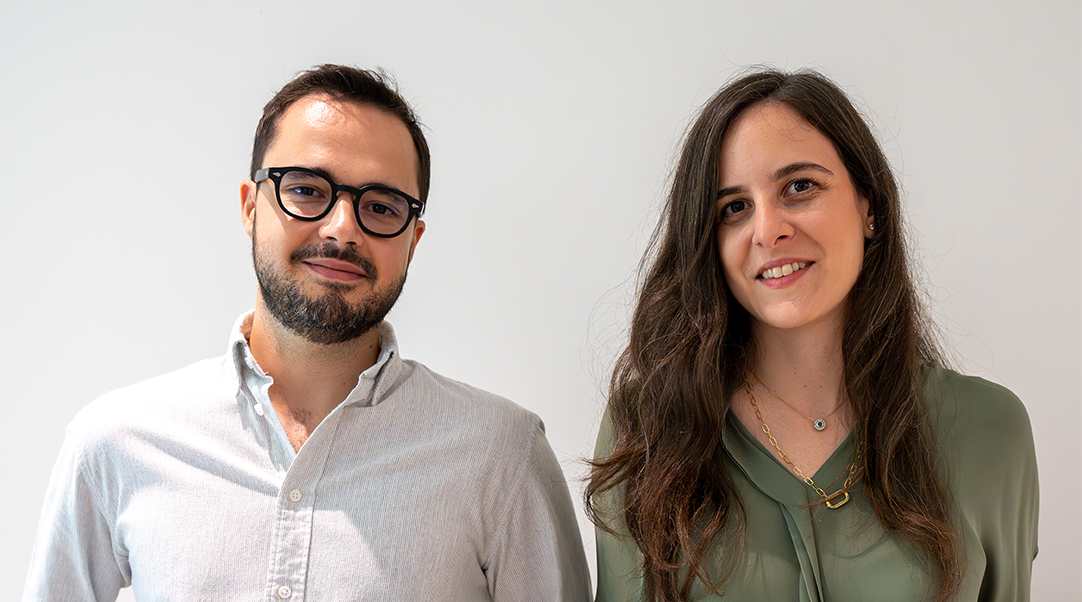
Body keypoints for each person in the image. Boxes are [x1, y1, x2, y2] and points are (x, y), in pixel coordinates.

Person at [24, 64, 590, 601]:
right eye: (306, 190)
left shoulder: (501, 456)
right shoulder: (117, 442)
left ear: (413, 240)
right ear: (251, 207)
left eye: (382, 206)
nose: (342, 229)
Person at [588, 69, 1038, 602]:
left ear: (869, 206)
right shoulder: (648, 428)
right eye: (734, 208)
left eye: (799, 187)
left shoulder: (987, 431)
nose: (768, 230)